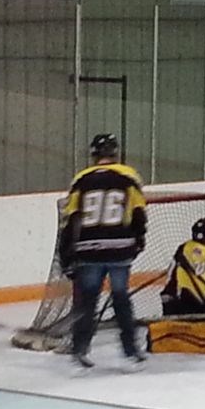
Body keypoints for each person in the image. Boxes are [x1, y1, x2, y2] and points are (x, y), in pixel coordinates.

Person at [58, 133, 147, 372]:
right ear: (115, 152)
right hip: (119, 247)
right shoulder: (128, 176)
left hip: (88, 248)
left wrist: (66, 255)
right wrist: (139, 240)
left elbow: (71, 219)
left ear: (94, 154)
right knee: (121, 298)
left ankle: (79, 349)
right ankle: (130, 351)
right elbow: (139, 212)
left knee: (87, 301)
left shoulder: (81, 179)